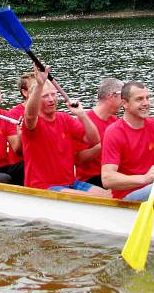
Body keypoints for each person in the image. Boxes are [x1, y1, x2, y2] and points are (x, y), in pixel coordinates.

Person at [22, 66, 110, 196]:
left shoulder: (65, 118)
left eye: (53, 94)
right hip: (42, 187)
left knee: (108, 196)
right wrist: (40, 84)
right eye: (45, 96)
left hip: (70, 182)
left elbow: (93, 140)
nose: (51, 99)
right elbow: (29, 115)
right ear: (35, 99)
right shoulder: (32, 123)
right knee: (94, 199)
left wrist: (81, 114)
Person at [75, 78, 123, 187]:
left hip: (110, 175)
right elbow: (78, 160)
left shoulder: (115, 121)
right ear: (112, 96)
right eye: (123, 96)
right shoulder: (84, 121)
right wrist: (103, 144)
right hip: (90, 179)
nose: (125, 100)